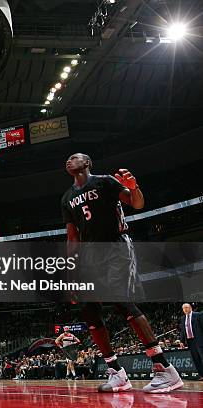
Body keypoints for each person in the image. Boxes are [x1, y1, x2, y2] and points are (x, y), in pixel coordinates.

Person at [61, 153, 182, 393]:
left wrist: (134, 188)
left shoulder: (105, 181)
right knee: (89, 311)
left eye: (74, 158)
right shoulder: (66, 198)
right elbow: (73, 238)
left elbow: (136, 203)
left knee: (122, 302)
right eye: (67, 159)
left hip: (116, 246)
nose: (69, 161)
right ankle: (116, 372)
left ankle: (164, 368)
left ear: (87, 163)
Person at [180, 303, 203, 379]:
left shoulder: (198, 315)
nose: (185, 309)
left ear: (190, 308)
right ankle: (202, 375)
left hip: (199, 340)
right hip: (190, 341)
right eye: (183, 308)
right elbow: (183, 331)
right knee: (196, 359)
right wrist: (182, 341)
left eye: (186, 307)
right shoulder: (183, 318)